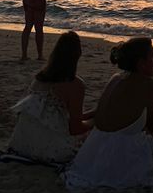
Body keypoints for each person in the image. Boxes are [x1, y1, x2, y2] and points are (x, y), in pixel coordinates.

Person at [64, 37, 153, 191]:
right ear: (141, 63)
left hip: (96, 154)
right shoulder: (146, 85)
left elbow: (105, 109)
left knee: (150, 105)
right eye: (152, 56)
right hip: (126, 163)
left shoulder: (116, 78)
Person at [9, 31, 93, 163]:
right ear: (77, 55)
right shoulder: (75, 84)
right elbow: (75, 128)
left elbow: (53, 115)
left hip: (23, 144)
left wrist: (93, 113)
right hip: (51, 150)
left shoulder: (40, 78)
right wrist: (96, 121)